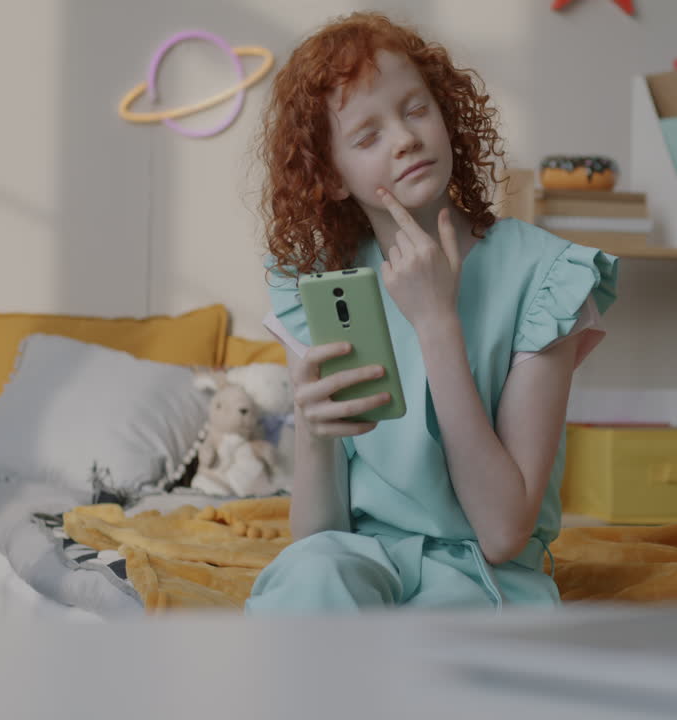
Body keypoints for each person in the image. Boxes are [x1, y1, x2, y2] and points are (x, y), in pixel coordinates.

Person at [246, 11, 618, 613]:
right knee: (311, 576)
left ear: (445, 113)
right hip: (360, 562)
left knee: (431, 648)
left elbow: (502, 534)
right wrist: (313, 434)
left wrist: (437, 322)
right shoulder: (318, 287)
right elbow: (317, 541)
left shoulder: (547, 277)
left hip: (484, 580)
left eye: (415, 109)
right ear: (334, 178)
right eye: (367, 136)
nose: (404, 138)